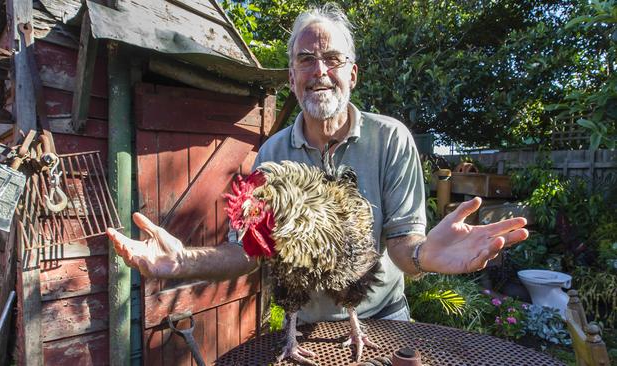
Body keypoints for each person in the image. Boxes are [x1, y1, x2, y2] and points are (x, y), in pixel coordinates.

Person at [108, 2, 528, 328]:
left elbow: (402, 245)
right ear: (291, 78)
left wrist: (423, 255)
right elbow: (248, 250)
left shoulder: (391, 139)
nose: (320, 70)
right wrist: (184, 261)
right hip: (303, 326)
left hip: (382, 318)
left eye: (333, 58)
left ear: (353, 74)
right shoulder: (272, 154)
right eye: (306, 59)